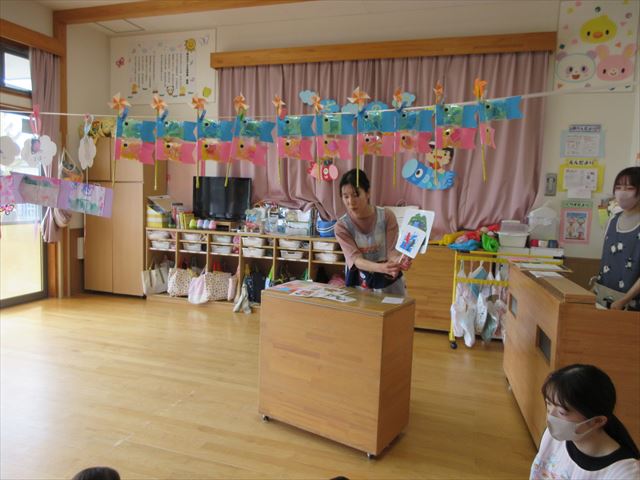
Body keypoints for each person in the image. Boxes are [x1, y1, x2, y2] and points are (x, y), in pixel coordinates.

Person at [530, 364, 640, 479]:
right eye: (548, 404)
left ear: (597, 421)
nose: (550, 416)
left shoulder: (626, 474)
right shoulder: (554, 437)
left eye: (562, 412)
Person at [334, 169, 411, 295]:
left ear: (368, 193)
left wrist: (399, 260)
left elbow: (392, 252)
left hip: (388, 280)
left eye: (356, 194)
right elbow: (356, 260)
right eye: (346, 196)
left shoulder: (386, 216)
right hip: (359, 282)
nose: (350, 202)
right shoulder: (342, 226)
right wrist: (381, 268)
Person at [595, 166, 640, 310]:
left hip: (632, 305)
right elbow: (607, 259)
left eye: (629, 188)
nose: (622, 193)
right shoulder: (613, 219)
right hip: (604, 297)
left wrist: (624, 300)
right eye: (618, 187)